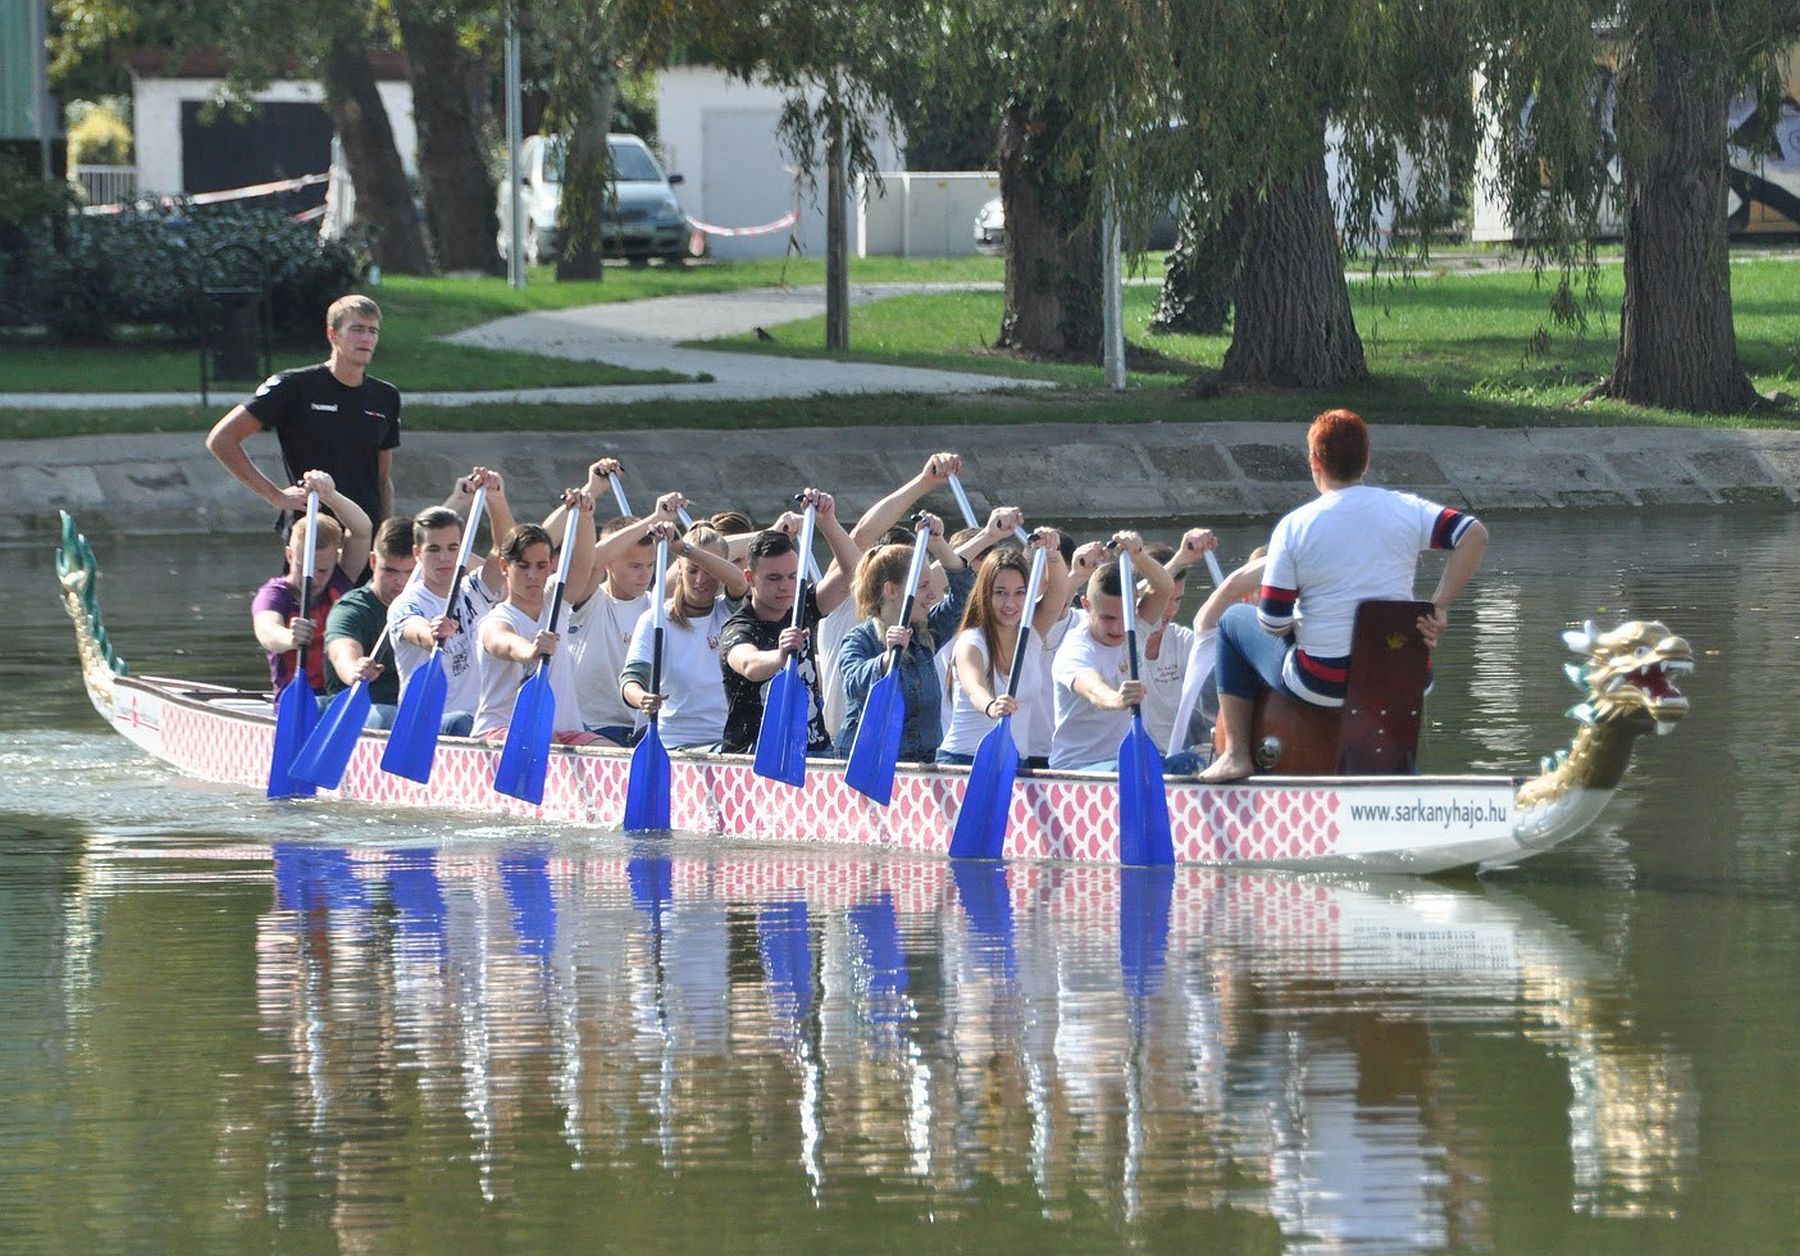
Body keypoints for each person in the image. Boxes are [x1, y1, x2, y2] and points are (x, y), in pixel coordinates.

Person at [1199, 408, 1489, 783]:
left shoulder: (1295, 526)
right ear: (1366, 461)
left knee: (1230, 623)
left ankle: (1236, 755)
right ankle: (1398, 773)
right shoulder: (1408, 510)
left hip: (1322, 683)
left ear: (1314, 461)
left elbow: (1272, 622)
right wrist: (1440, 606)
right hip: (1405, 677)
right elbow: (1474, 534)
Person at [206, 294, 400, 530]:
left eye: (373, 331)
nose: (366, 338)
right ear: (333, 334)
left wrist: (386, 535)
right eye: (357, 329)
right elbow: (222, 439)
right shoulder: (294, 386)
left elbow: (382, 479)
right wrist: (275, 495)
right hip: (310, 534)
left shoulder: (386, 396)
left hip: (365, 532)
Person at [552, 459, 688, 742]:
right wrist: (652, 520)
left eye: (649, 566)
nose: (645, 575)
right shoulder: (588, 599)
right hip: (591, 727)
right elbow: (591, 561)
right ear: (611, 565)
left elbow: (711, 558)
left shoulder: (656, 606)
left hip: (640, 730)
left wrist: (679, 540)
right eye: (634, 566)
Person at [719, 489, 861, 757]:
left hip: (815, 750)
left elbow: (854, 573)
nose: (785, 587)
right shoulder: (739, 628)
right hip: (757, 755)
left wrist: (827, 521)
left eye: (792, 576)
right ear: (749, 578)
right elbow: (748, 664)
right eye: (773, 578)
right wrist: (780, 656)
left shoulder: (802, 606)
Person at [833, 513, 974, 763]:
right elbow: (853, 684)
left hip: (923, 763)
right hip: (869, 761)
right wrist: (887, 659)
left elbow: (965, 596)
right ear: (891, 590)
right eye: (923, 587)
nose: (933, 595)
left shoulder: (926, 631)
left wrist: (939, 544)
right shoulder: (859, 639)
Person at [386, 468, 517, 737]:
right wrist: (430, 633)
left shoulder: (475, 590)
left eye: (452, 548)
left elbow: (503, 549)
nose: (444, 558)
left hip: (481, 724)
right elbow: (414, 628)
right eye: (433, 549)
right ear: (417, 553)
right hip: (430, 728)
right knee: (461, 722)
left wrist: (496, 499)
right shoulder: (406, 602)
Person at [936, 529, 1071, 768]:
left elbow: (1058, 593)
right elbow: (974, 687)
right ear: (984, 594)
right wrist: (991, 706)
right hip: (963, 760)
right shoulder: (970, 642)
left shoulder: (1030, 634)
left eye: (1020, 593)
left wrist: (1052, 553)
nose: (1011, 604)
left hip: (1014, 762)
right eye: (1001, 593)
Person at [472, 492, 599, 744]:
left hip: (565, 732)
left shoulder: (556, 598)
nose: (533, 575)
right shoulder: (496, 619)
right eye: (522, 566)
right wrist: (530, 651)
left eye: (541, 566)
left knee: (616, 760)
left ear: (552, 564)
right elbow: (503, 642)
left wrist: (585, 517)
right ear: (504, 567)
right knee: (544, 739)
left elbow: (584, 563)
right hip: (501, 731)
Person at [1049, 531, 1176, 772]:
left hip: (1128, 762)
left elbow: (1164, 586)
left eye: (1123, 616)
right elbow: (1093, 689)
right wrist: (1117, 699)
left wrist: (1138, 556)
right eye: (1107, 618)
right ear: (1086, 606)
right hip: (1078, 769)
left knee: (1193, 763)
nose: (1118, 628)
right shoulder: (1075, 649)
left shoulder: (1134, 627)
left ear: (1134, 605)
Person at [619, 521, 751, 750]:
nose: (701, 580)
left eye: (709, 571)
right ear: (679, 569)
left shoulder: (731, 612)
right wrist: (642, 698)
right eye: (692, 570)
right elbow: (631, 680)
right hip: (674, 743)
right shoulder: (655, 619)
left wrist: (684, 548)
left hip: (728, 740)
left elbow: (739, 581)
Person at [251, 470, 372, 694]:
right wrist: (290, 638)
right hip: (297, 703)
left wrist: (331, 495)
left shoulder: (341, 577)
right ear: (289, 556)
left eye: (323, 569)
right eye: (304, 567)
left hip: (339, 697)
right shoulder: (275, 593)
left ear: (336, 557)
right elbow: (267, 631)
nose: (314, 578)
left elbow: (362, 530)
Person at [321, 517, 416, 728]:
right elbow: (342, 653)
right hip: (360, 711)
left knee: (461, 720)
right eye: (389, 571)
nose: (400, 582)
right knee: (388, 717)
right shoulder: (351, 610)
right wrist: (355, 669)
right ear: (373, 562)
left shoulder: (432, 604)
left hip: (414, 710)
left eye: (410, 572)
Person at [1135, 530, 1220, 755]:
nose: (1170, 610)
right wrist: (1181, 558)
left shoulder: (1185, 642)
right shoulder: (1117, 639)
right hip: (1131, 763)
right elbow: (1129, 597)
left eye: (1177, 600)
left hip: (1178, 761)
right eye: (1164, 598)